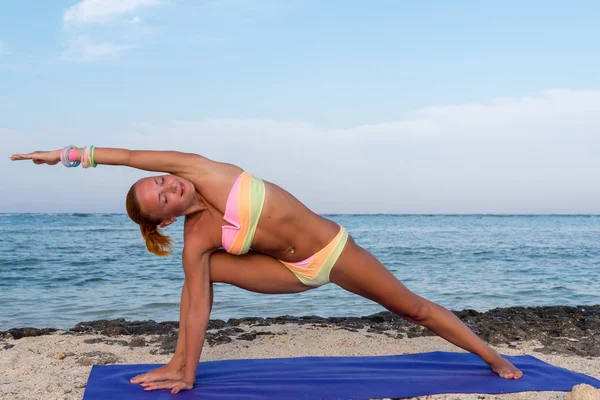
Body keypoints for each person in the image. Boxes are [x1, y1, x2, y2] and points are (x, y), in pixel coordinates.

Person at [10, 146, 523, 394]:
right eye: (161, 198)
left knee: (411, 309)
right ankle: (181, 366)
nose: (170, 188)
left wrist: (66, 155)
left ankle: (491, 356)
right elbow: (196, 306)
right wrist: (185, 370)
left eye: (162, 181)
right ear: (163, 217)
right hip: (290, 273)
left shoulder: (200, 170)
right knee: (198, 279)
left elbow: (127, 154)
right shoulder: (196, 238)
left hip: (334, 252)